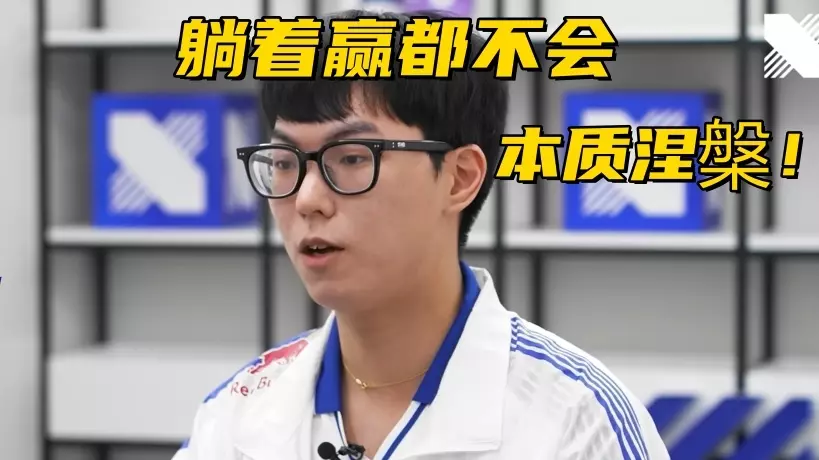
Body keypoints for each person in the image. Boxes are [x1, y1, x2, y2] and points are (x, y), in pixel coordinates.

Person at [173, 8, 670, 460]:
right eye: (284, 162)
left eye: (352, 158)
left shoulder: (578, 424)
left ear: (459, 178)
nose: (306, 199)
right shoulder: (238, 414)